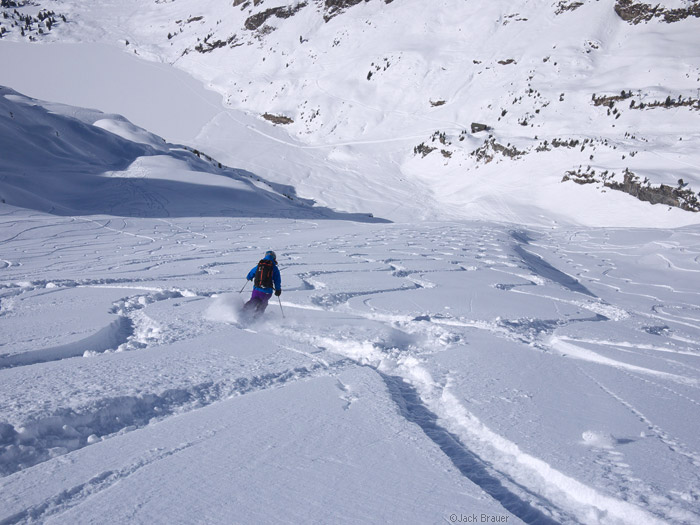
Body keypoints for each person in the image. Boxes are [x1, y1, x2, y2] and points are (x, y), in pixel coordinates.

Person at [243, 250, 281, 316]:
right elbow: (277, 280)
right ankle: (257, 317)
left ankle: (243, 312)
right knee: (263, 303)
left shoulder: (259, 265)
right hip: (267, 292)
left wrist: (249, 277)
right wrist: (278, 290)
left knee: (253, 301)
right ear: (274, 258)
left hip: (256, 289)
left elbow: (251, 273)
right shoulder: (274, 268)